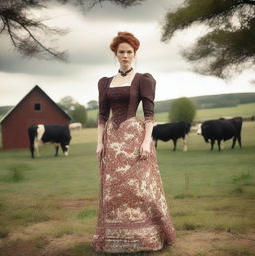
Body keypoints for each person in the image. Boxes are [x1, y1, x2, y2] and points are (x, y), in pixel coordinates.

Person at [91, 32, 175, 254]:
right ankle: (116, 239)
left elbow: (149, 116)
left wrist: (147, 142)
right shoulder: (106, 82)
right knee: (113, 191)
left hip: (135, 137)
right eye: (121, 52)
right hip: (113, 140)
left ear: (135, 53)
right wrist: (99, 142)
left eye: (129, 52)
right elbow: (101, 116)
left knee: (139, 189)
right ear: (115, 54)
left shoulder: (142, 80)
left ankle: (146, 237)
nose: (125, 55)